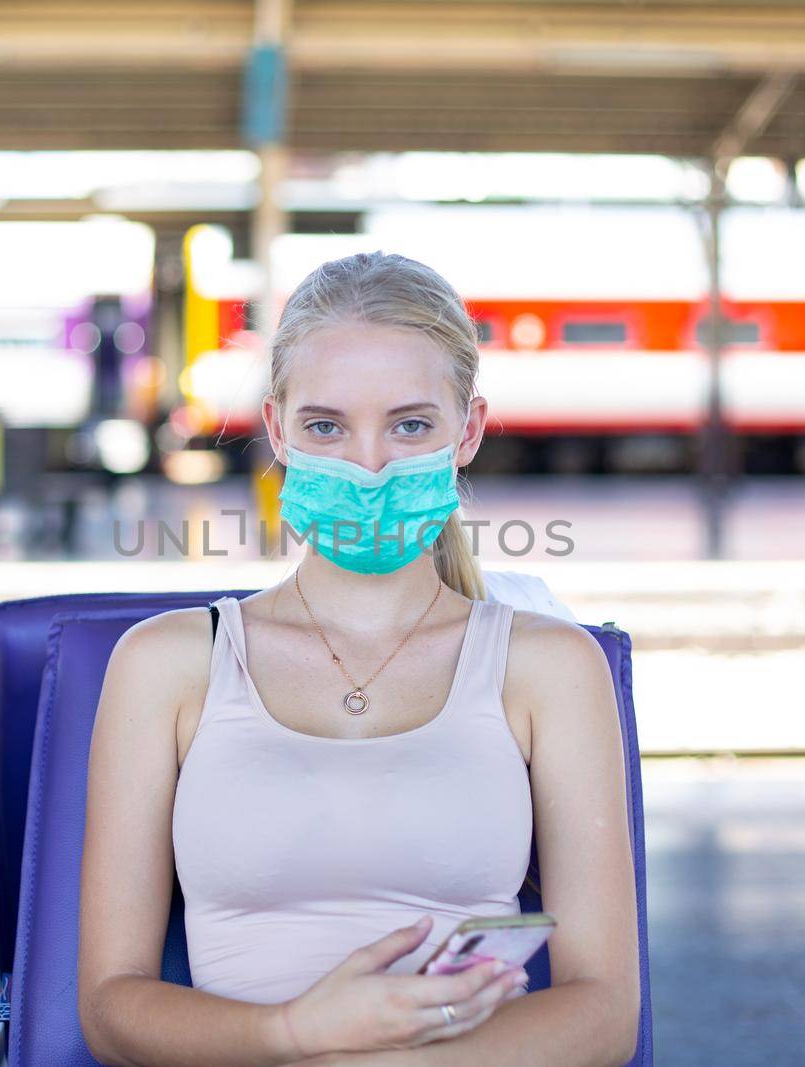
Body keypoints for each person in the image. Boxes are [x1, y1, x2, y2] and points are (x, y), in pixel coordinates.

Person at [78, 251, 640, 1066]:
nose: (368, 465)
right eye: (326, 425)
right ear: (278, 432)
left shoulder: (550, 668)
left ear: (468, 431)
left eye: (410, 424)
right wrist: (294, 1034)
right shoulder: (166, 664)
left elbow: (605, 1011)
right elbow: (110, 1005)